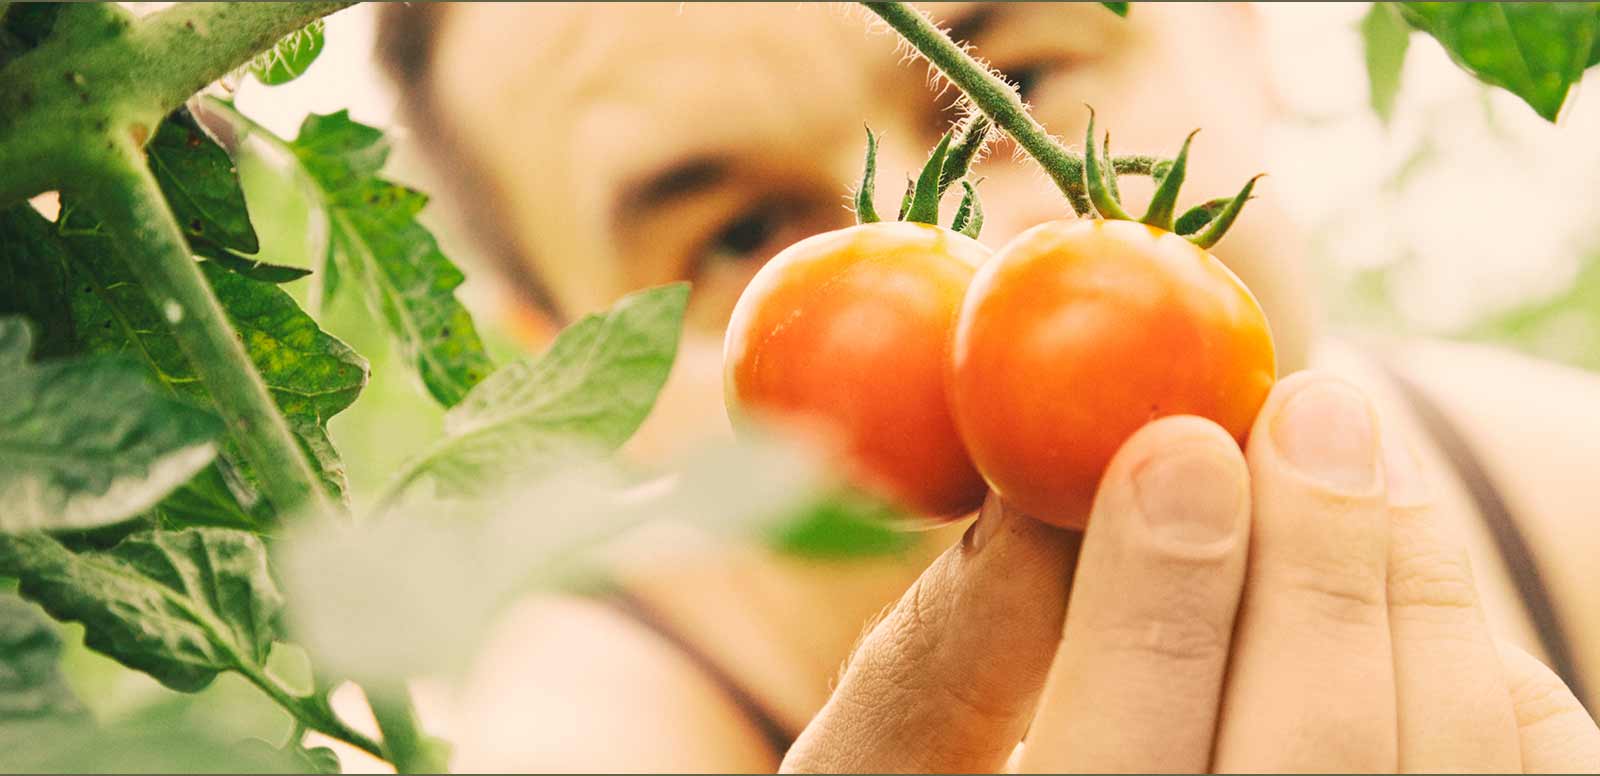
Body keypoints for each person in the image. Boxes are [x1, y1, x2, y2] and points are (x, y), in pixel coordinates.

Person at [374, 3, 1600, 771]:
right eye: (742, 230)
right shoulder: (580, 741)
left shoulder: (1570, 493)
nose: (975, 288)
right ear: (582, 379)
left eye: (1014, 74)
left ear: (1243, 30)